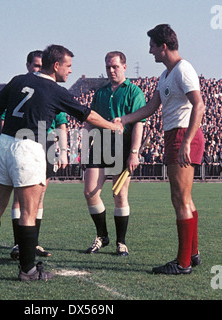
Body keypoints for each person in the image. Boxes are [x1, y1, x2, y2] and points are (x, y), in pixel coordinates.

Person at [0, 44, 123, 281]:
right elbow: (87, 115)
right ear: (56, 66)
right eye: (69, 66)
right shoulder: (54, 89)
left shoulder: (17, 80)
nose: (70, 71)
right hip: (28, 147)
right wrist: (113, 125)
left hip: (5, 144)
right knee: (28, 212)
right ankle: (28, 270)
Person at [117, 24, 206, 274]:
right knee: (183, 199)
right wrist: (123, 120)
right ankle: (192, 253)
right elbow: (150, 108)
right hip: (174, 135)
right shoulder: (166, 75)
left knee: (180, 199)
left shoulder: (183, 69)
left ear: (163, 46)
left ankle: (183, 263)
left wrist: (186, 141)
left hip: (182, 134)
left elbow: (199, 106)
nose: (150, 51)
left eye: (152, 46)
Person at [83, 51, 146, 256]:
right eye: (108, 67)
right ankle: (102, 235)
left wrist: (134, 153)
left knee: (119, 194)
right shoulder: (100, 92)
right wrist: (83, 145)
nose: (111, 70)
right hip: (100, 143)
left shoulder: (134, 92)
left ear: (124, 67)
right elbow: (90, 121)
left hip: (122, 144)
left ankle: (121, 242)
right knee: (90, 192)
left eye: (115, 66)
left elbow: (138, 124)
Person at [8, 50, 68, 260]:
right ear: (28, 66)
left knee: (40, 195)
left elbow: (62, 123)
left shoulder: (52, 89)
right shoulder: (20, 87)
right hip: (25, 139)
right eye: (35, 65)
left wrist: (63, 152)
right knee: (20, 196)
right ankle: (19, 244)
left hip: (47, 141)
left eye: (40, 65)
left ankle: (33, 243)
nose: (38, 69)